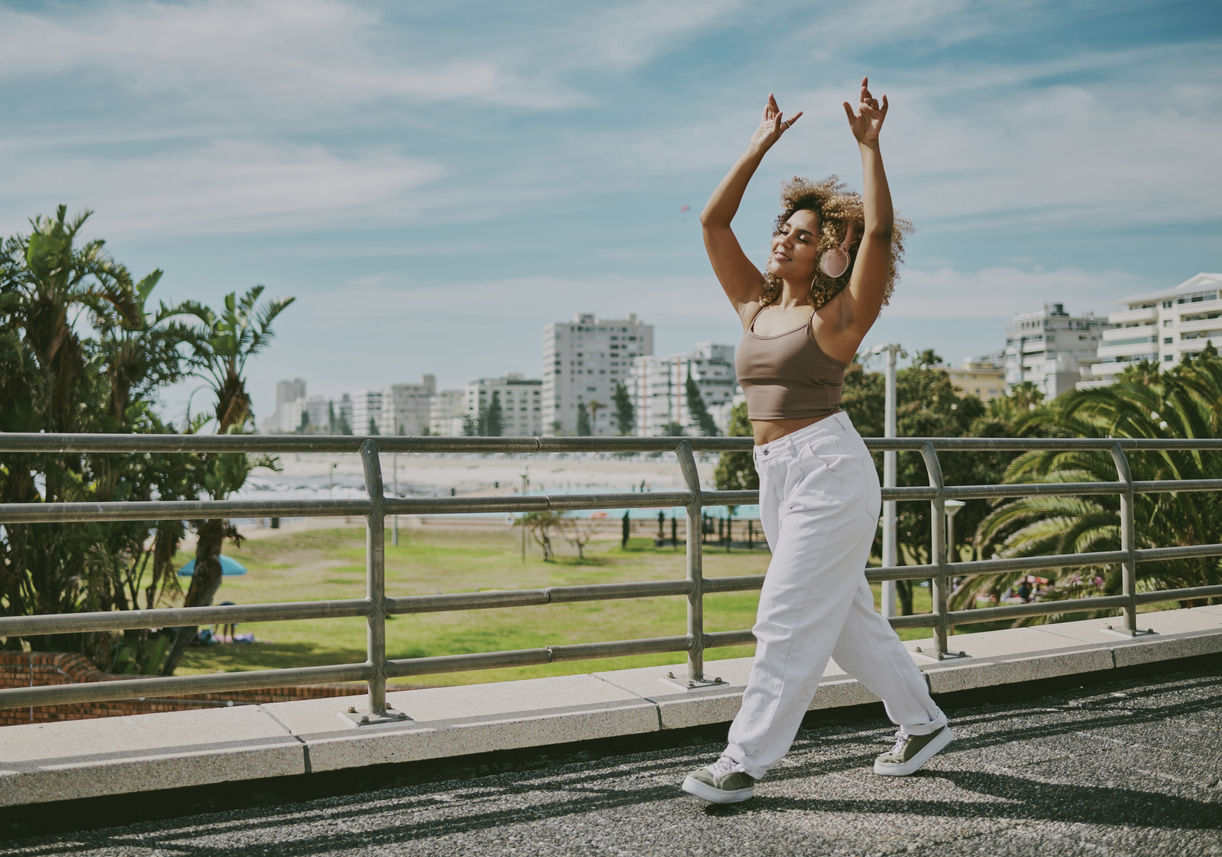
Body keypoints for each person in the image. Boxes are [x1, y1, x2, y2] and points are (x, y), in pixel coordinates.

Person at [682, 78, 952, 804]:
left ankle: (744, 760)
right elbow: (712, 224)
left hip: (830, 470)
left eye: (803, 237)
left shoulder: (837, 322)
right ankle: (922, 721)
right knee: (840, 622)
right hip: (777, 474)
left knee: (787, 614)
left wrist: (870, 147)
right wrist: (757, 146)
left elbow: (883, 236)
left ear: (829, 254)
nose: (782, 240)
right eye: (783, 229)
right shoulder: (755, 303)